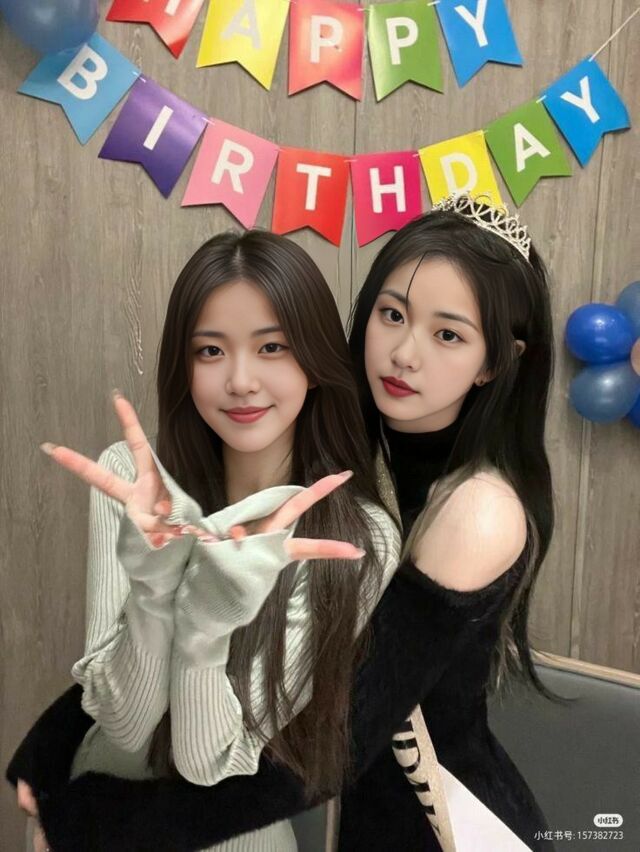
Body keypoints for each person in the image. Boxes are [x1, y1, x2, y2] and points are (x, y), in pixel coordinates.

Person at [8, 195, 556, 851]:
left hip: (434, 820)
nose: (405, 354)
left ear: (497, 361)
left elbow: (333, 740)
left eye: (448, 335)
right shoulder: (359, 447)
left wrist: (95, 822)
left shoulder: (476, 510)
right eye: (392, 314)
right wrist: (54, 743)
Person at [10, 230, 400, 852]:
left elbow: (207, 761)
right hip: (95, 816)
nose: (241, 380)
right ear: (184, 366)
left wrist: (205, 623)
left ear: (314, 359)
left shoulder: (355, 536)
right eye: (211, 351)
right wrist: (153, 589)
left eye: (272, 347)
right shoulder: (133, 479)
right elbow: (124, 724)